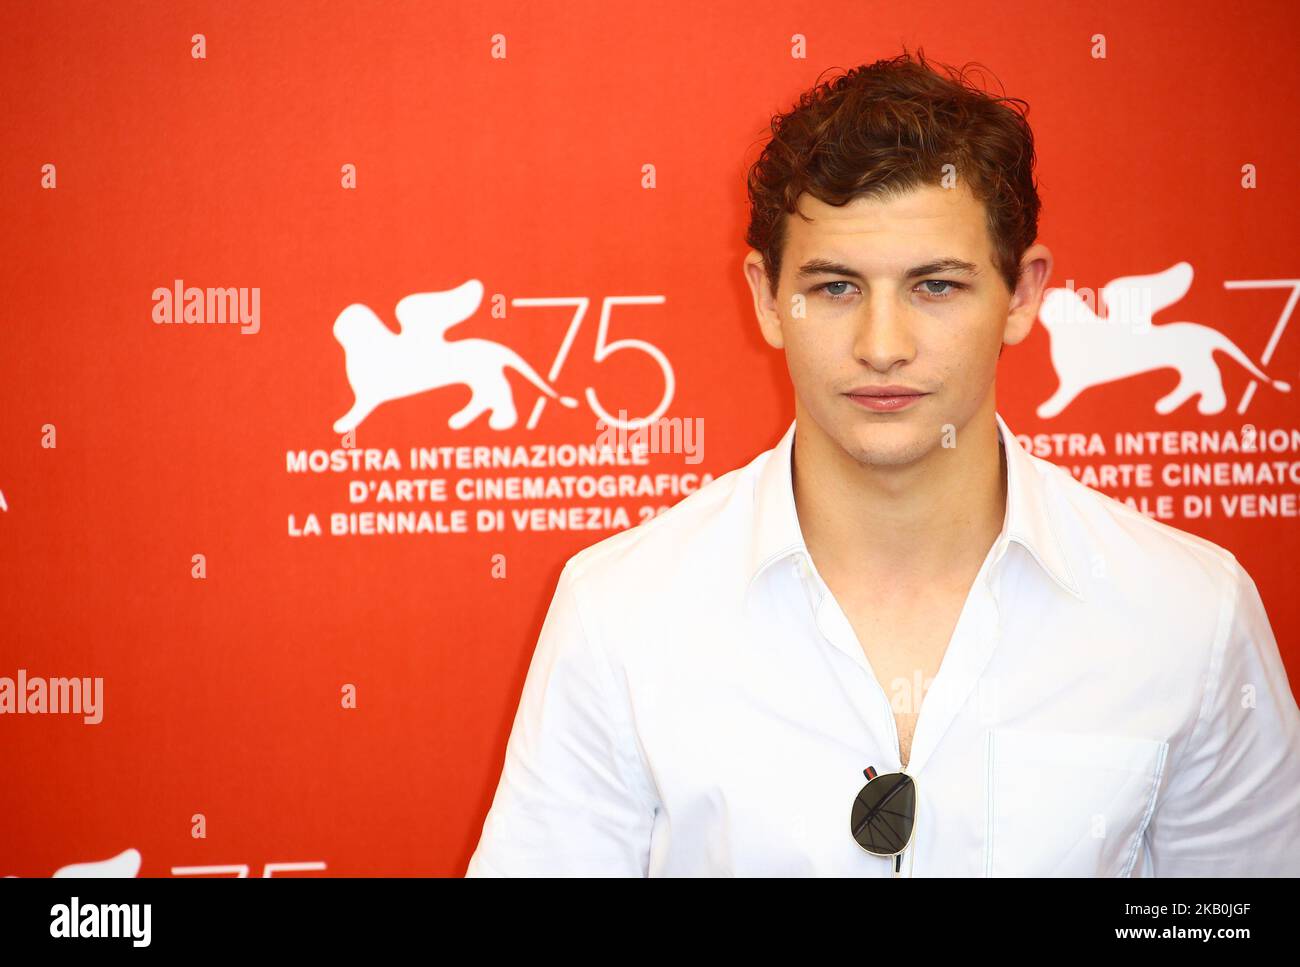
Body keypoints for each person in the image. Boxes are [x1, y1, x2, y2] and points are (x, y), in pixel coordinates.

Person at [465, 50, 1300, 877]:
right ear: (766, 298)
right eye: (835, 287)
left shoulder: (1189, 610)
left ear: (1022, 295)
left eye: (935, 286)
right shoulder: (620, 612)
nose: (883, 347)